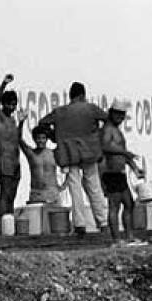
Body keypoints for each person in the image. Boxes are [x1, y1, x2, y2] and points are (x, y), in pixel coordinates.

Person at [37, 82, 108, 236]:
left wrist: (55, 137)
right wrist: (97, 135)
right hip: (89, 151)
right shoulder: (90, 108)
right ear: (83, 95)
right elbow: (109, 121)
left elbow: (42, 123)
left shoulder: (60, 111)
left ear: (70, 96)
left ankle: (80, 224)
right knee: (94, 187)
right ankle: (103, 222)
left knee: (74, 188)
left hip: (68, 153)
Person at [100, 99, 145, 244]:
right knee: (115, 205)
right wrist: (126, 152)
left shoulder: (116, 130)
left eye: (122, 115)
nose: (120, 117)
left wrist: (134, 168)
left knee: (129, 203)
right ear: (111, 113)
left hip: (119, 172)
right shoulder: (107, 129)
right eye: (118, 114)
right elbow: (106, 146)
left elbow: (122, 154)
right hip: (110, 172)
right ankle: (116, 239)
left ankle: (129, 236)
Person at [17, 110, 63, 207]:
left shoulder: (53, 153)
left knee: (55, 221)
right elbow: (19, 139)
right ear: (34, 139)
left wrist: (64, 185)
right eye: (38, 138)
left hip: (53, 193)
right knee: (36, 221)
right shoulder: (31, 154)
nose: (40, 141)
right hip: (37, 194)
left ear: (47, 139)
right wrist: (21, 122)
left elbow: (69, 164)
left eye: (43, 138)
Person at [0, 74, 22, 218]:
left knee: (12, 196)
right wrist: (4, 84)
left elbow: (17, 139)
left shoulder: (13, 120)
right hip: (4, 161)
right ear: (4, 104)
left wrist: (21, 123)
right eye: (9, 103)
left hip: (16, 162)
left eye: (14, 104)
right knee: (5, 193)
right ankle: (3, 222)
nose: (12, 107)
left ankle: (8, 223)